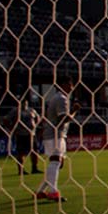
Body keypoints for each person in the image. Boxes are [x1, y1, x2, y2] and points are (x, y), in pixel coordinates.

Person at [34, 73, 79, 201]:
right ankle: (53, 192)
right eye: (70, 84)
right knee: (55, 162)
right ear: (64, 85)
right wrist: (74, 111)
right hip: (55, 134)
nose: (72, 87)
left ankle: (41, 191)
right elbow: (63, 118)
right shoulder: (61, 99)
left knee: (58, 164)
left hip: (55, 134)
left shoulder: (58, 97)